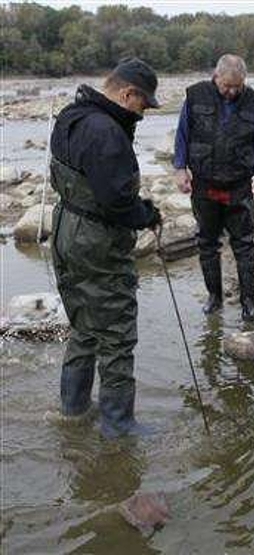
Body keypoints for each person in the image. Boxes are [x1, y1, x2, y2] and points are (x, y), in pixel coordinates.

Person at [49, 58, 162, 438]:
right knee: (115, 334)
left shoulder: (70, 116)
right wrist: (147, 214)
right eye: (143, 105)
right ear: (128, 93)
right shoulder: (106, 132)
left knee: (83, 326)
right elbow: (118, 203)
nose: (143, 114)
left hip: (64, 229)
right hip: (95, 240)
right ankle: (119, 427)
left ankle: (73, 411)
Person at [173, 54, 254, 323]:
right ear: (216, 77)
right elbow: (183, 134)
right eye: (227, 86)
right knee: (206, 243)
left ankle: (248, 302)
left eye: (237, 86)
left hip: (238, 186)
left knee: (246, 244)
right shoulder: (195, 97)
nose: (232, 92)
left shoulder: (252, 102)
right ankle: (214, 297)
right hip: (204, 184)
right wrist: (180, 168)